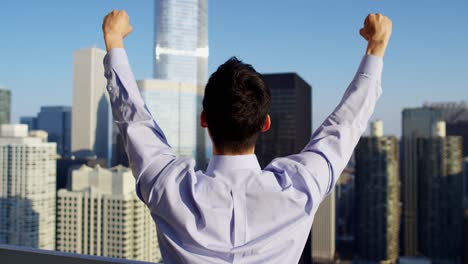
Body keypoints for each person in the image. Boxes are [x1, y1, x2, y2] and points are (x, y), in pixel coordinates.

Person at [102, 10, 392, 263]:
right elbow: (343, 127)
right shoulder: (299, 187)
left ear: (204, 120)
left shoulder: (170, 188)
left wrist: (114, 41)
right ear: (265, 124)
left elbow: (134, 121)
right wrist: (376, 48)